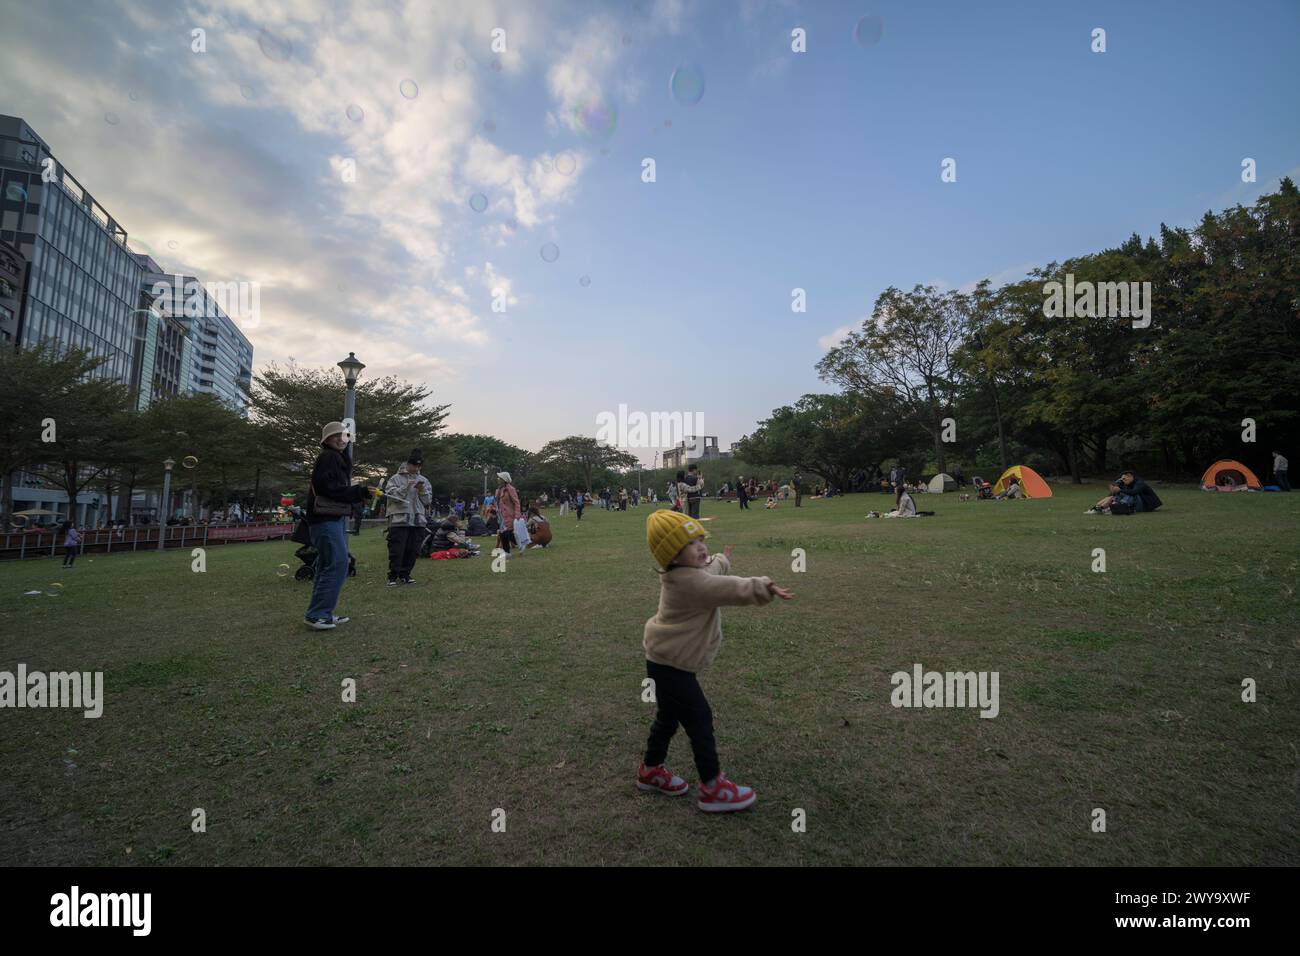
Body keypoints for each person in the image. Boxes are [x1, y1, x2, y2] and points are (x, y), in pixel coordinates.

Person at [636, 510, 794, 812]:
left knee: (668, 718)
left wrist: (723, 558)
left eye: (700, 539)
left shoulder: (687, 572)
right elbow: (726, 587)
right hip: (671, 666)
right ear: (672, 553)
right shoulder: (688, 582)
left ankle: (650, 770)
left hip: (663, 660)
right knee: (700, 719)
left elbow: (711, 571)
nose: (700, 547)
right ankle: (712, 787)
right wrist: (764, 585)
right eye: (690, 543)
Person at [304, 422, 372, 630]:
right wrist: (359, 491)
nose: (341, 440)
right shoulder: (329, 457)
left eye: (344, 436)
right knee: (338, 563)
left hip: (329, 519)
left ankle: (322, 613)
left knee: (328, 565)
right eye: (336, 436)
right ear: (326, 439)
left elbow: (334, 488)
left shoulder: (336, 458)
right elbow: (330, 489)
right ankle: (317, 614)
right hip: (325, 520)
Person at [383, 449, 432, 586]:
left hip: (418, 520)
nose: (415, 468)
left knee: (413, 549)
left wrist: (422, 491)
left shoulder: (424, 480)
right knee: (397, 549)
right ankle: (392, 575)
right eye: (413, 465)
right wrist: (406, 487)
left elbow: (427, 501)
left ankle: (406, 574)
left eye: (418, 466)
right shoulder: (395, 479)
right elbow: (393, 498)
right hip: (399, 519)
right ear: (407, 464)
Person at [1088, 470, 1162, 514]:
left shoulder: (1140, 483)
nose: (1122, 480)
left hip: (1146, 506)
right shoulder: (1124, 482)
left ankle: (1113, 508)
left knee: (1129, 494)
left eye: (1124, 479)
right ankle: (1097, 508)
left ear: (1130, 476)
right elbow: (1113, 493)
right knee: (1114, 495)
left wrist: (1119, 490)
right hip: (1134, 504)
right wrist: (1113, 488)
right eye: (1122, 479)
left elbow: (1134, 492)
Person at [495, 471, 521, 554]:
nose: (498, 479)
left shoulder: (511, 489)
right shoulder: (500, 489)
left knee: (509, 533)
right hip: (502, 515)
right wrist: (498, 490)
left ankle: (520, 543)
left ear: (504, 479)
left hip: (510, 514)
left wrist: (517, 514)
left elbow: (516, 502)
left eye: (500, 478)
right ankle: (507, 552)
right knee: (502, 533)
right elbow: (496, 499)